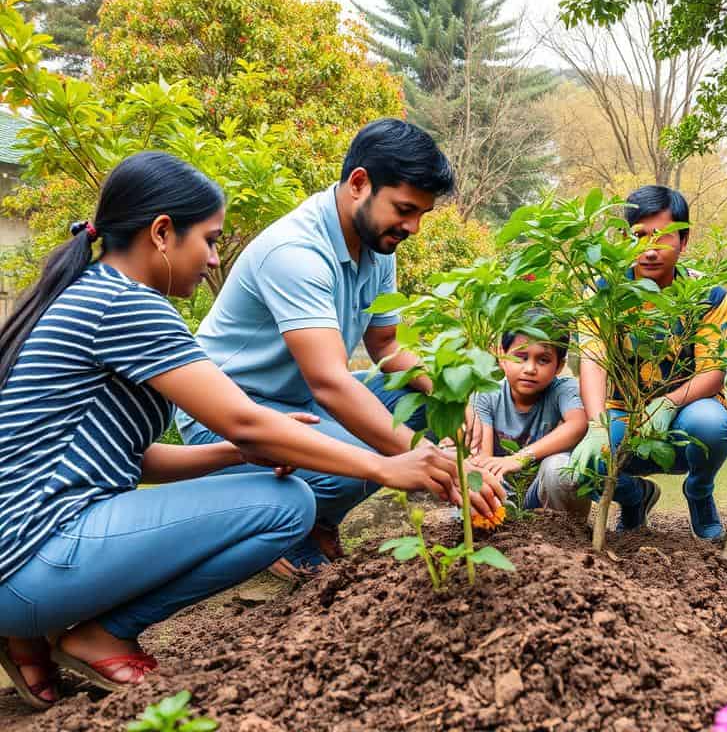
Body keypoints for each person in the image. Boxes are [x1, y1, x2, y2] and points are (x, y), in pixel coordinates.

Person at [0, 152, 459, 707]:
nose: (216, 260)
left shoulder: (95, 293)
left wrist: (236, 456)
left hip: (24, 558)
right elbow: (244, 419)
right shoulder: (127, 306)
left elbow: (134, 461)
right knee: (286, 506)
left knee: (271, 487)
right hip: (32, 559)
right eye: (211, 240)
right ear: (163, 233)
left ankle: (30, 626)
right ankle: (95, 635)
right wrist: (386, 465)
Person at [177, 119, 496, 571]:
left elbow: (386, 344)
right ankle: (272, 526)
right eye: (405, 209)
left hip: (304, 399)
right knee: (369, 455)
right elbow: (330, 383)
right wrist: (422, 460)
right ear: (359, 184)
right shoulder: (296, 253)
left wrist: (447, 389)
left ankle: (319, 520)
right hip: (229, 412)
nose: (414, 227)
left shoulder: (378, 244)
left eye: (422, 214)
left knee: (421, 403)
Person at [568, 185, 727, 540]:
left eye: (662, 237)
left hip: (685, 414)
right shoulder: (603, 293)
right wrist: (597, 426)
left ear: (684, 241)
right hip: (622, 415)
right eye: (639, 236)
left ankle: (699, 492)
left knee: (712, 425)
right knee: (584, 463)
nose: (649, 249)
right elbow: (593, 362)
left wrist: (666, 401)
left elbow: (713, 373)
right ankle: (634, 497)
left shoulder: (706, 296)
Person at [468, 314, 588, 520]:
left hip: (543, 494)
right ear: (501, 355)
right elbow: (483, 459)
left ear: (559, 365)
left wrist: (519, 458)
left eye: (543, 360)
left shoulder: (564, 390)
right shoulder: (486, 394)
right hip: (504, 495)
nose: (530, 369)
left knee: (559, 467)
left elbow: (577, 424)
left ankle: (568, 537)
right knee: (475, 482)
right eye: (521, 357)